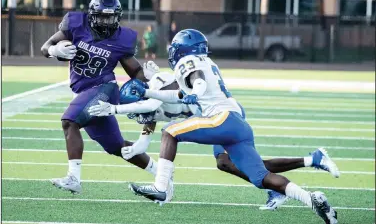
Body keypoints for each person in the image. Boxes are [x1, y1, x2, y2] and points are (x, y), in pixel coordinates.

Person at [126, 29, 338, 223]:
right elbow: (178, 93)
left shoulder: (188, 62)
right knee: (261, 177)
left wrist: (195, 93)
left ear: (183, 49)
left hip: (221, 119)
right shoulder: (206, 62)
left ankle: (161, 187)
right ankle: (312, 199)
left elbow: (197, 81)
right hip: (236, 124)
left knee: (170, 132)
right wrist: (148, 92)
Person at [88, 71, 340, 211]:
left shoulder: (157, 87)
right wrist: (129, 150)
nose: (141, 115)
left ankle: (162, 189)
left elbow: (153, 101)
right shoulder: (148, 113)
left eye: (136, 108)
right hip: (213, 119)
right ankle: (311, 160)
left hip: (224, 114)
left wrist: (113, 110)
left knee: (177, 135)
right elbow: (144, 142)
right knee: (228, 163)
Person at [40, 0, 165, 194]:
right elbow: (45, 47)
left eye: (111, 17)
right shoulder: (75, 24)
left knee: (69, 121)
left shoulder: (122, 39)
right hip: (83, 90)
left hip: (104, 89)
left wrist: (148, 76)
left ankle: (73, 178)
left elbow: (135, 72)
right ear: (91, 15)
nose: (107, 22)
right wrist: (55, 51)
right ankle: (162, 174)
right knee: (117, 147)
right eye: (102, 17)